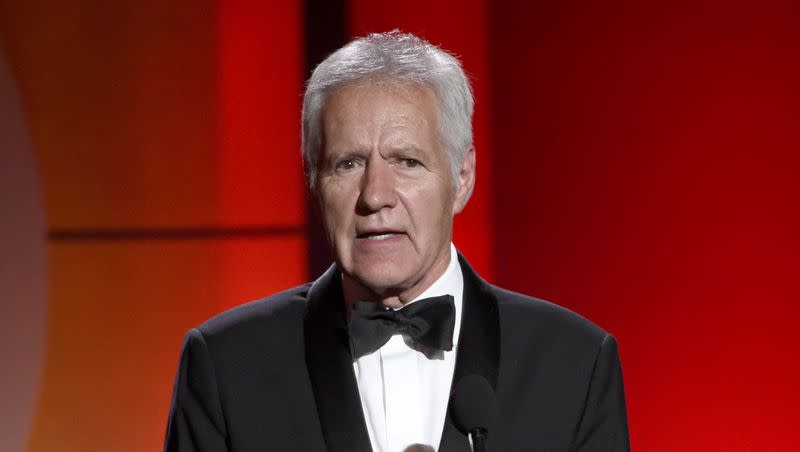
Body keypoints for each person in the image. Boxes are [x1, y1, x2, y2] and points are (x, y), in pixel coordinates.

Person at [165, 31, 629, 452]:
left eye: (406, 161)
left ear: (462, 176)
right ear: (312, 178)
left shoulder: (574, 364)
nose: (375, 196)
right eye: (348, 164)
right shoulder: (228, 365)